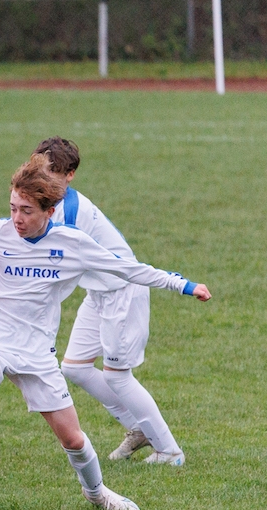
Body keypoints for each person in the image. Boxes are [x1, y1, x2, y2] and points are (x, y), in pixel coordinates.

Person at [0, 155, 211, 510]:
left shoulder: (72, 243)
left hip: (36, 353)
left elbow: (129, 269)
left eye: (26, 211)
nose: (17, 218)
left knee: (74, 440)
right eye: (13, 208)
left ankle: (97, 494)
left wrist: (184, 285)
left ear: (50, 211)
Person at [36, 136, 186, 466]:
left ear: (70, 175)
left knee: (118, 375)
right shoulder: (44, 205)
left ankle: (170, 451)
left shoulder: (69, 212)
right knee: (75, 367)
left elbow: (56, 265)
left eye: (53, 173)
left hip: (123, 291)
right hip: (99, 293)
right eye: (40, 171)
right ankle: (139, 428)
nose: (44, 179)